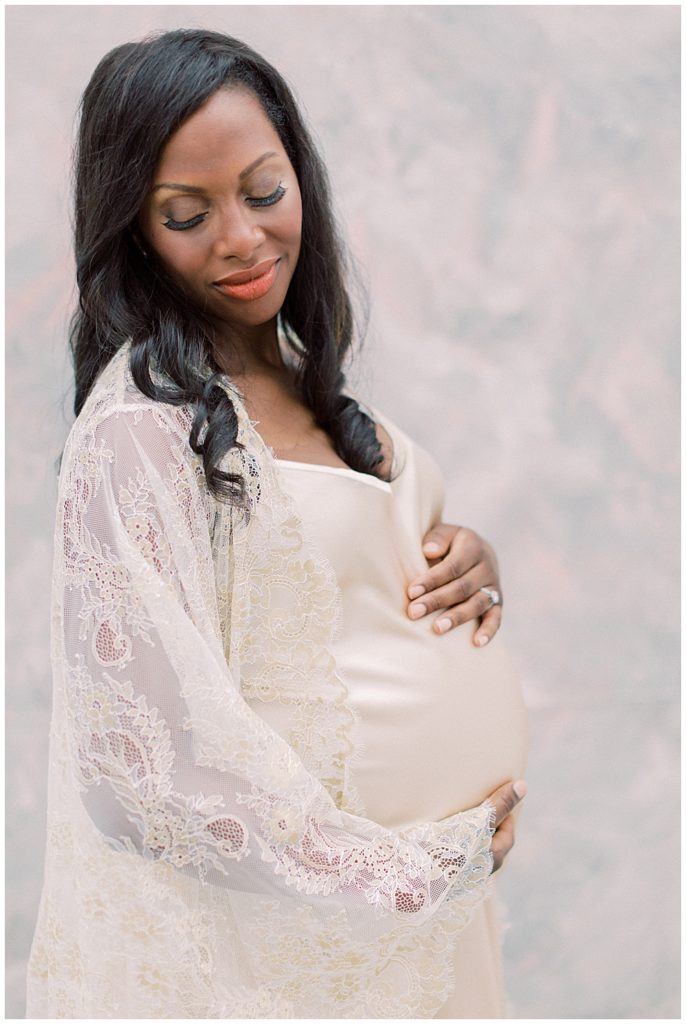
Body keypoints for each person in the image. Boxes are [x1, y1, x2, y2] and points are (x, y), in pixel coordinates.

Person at [26, 29, 529, 1019]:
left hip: (417, 946)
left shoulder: (305, 377)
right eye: (186, 213)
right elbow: (134, 776)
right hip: (291, 965)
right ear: (131, 227)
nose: (242, 239)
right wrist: (404, 872)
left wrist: (462, 563)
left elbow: (334, 584)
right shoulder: (140, 429)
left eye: (263, 191)